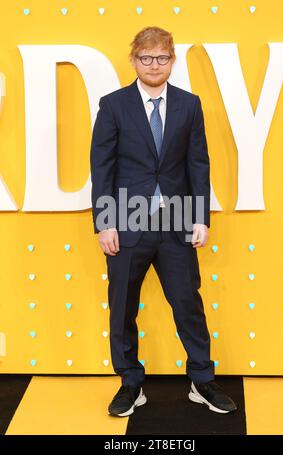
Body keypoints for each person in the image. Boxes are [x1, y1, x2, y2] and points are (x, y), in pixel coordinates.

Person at [90, 26, 237, 417]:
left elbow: (197, 165)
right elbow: (101, 167)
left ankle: (202, 380)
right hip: (125, 224)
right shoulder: (113, 105)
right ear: (133, 59)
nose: (154, 65)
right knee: (122, 307)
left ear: (172, 60)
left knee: (188, 302)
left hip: (176, 224)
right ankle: (130, 383)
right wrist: (105, 222)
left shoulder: (189, 105)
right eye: (146, 58)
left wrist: (200, 218)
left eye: (162, 58)